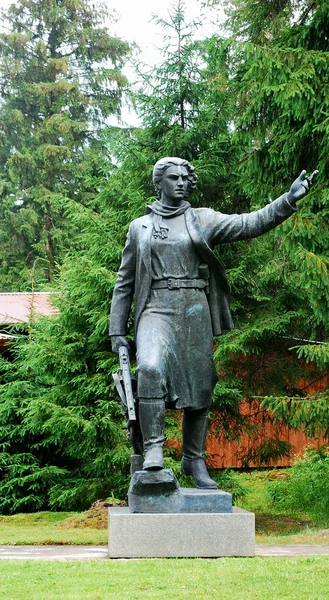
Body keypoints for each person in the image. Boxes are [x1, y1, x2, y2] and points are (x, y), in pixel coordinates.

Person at [109, 157, 316, 489]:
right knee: (148, 368)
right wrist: (117, 330)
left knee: (200, 384)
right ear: (158, 183)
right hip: (156, 308)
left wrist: (287, 200)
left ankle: (194, 459)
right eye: (173, 177)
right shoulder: (140, 227)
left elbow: (250, 222)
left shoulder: (202, 219)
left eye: (184, 178)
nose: (180, 182)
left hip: (193, 308)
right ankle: (153, 451)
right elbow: (124, 283)